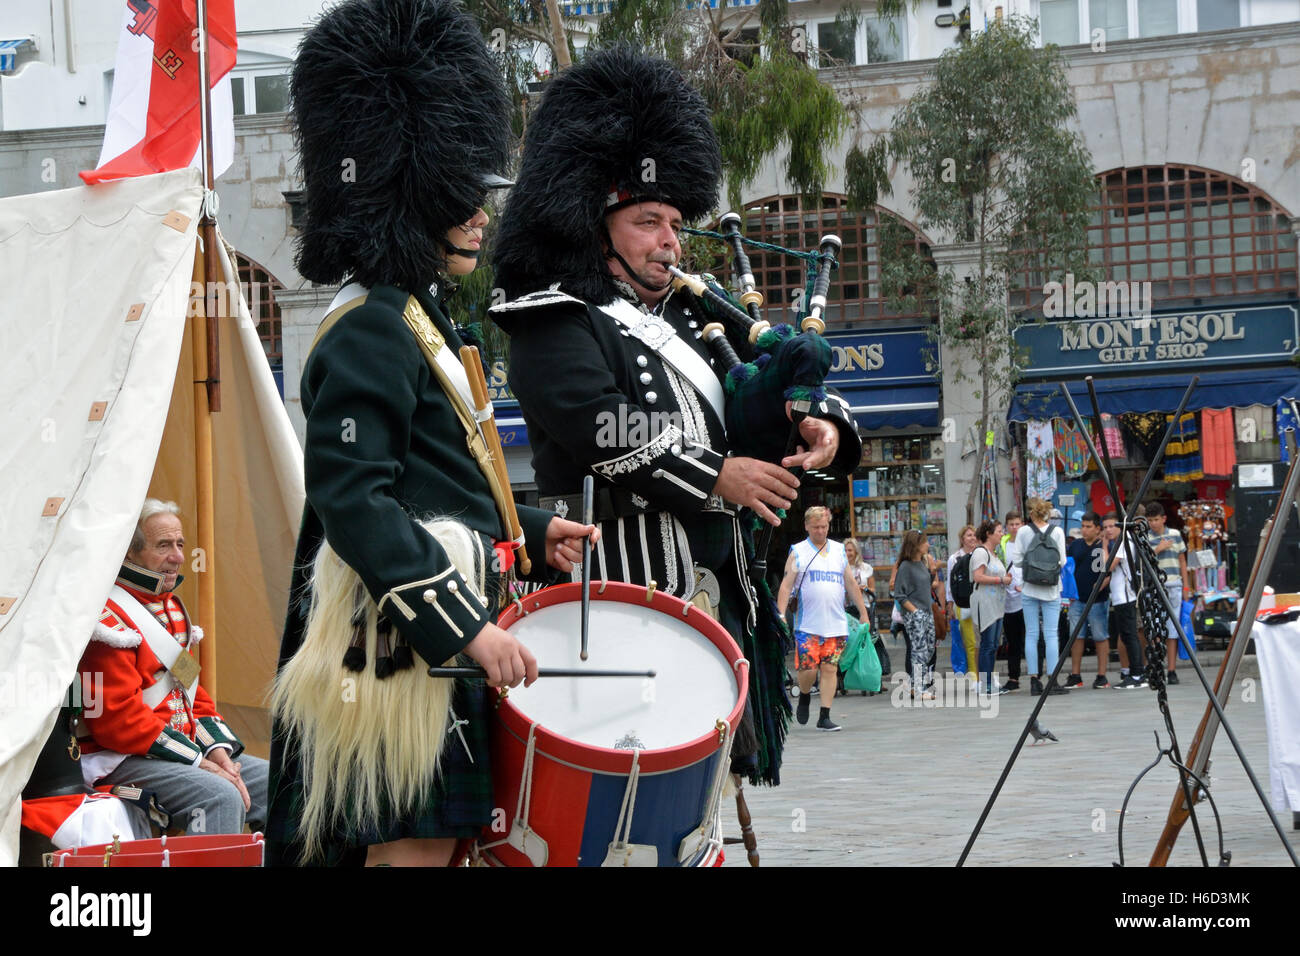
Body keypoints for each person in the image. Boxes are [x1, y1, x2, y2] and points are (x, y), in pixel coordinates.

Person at [264, 0, 596, 868]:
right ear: (407, 197)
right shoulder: (373, 325)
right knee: (410, 851)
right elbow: (352, 497)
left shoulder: (419, 318)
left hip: (420, 641)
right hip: (394, 653)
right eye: (458, 196)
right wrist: (465, 629)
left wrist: (524, 532)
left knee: (443, 847)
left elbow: (441, 479)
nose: (480, 215)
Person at [489, 46, 860, 784]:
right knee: (628, 799)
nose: (671, 241)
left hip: (717, 591)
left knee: (700, 801)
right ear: (597, 229)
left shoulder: (691, 318)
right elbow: (598, 423)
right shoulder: (555, 319)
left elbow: (751, 403)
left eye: (674, 222)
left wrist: (816, 426)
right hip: (618, 599)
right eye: (648, 222)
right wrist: (716, 474)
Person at [77, 500, 268, 836]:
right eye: (164, 545)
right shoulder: (106, 621)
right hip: (120, 760)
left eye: (179, 545)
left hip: (180, 751)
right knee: (220, 796)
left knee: (284, 783)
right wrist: (198, 761)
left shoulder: (171, 613)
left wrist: (219, 752)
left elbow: (192, 693)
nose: (178, 557)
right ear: (128, 553)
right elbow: (116, 722)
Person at [777, 507, 870, 731]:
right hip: (808, 623)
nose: (820, 531)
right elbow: (786, 585)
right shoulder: (798, 552)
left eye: (824, 527)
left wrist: (863, 611)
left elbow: (849, 582)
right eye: (816, 527)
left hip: (835, 623)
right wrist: (780, 614)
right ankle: (806, 694)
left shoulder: (838, 551)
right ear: (807, 526)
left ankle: (825, 715)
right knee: (808, 669)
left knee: (830, 668)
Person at [1008, 497, 1069, 696]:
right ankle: (1053, 678)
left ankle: (1035, 680)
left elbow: (1016, 561)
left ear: (1030, 512)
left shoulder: (1024, 531)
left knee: (1032, 634)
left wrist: (1031, 564)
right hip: (1051, 589)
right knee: (1051, 634)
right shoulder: (1057, 532)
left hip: (1029, 588)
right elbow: (1062, 561)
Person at [1064, 510, 1113, 688]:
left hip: (1098, 600)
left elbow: (1107, 572)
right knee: (1076, 636)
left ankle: (1101, 675)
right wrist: (1068, 593)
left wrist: (1098, 587)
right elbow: (1068, 571)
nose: (1084, 530)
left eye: (1088, 527)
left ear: (1097, 528)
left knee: (1100, 636)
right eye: (1082, 526)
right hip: (1077, 599)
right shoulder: (1075, 545)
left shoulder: (1102, 547)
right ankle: (1076, 675)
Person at [1145, 501, 1191, 684]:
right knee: (1156, 630)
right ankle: (1158, 667)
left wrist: (1186, 587)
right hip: (1155, 587)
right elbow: (1144, 562)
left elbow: (1182, 562)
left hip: (1174, 585)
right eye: (1150, 520)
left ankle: (1172, 670)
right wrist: (1157, 549)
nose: (1153, 523)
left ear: (1163, 519)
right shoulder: (1145, 537)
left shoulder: (1176, 535)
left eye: (1156, 519)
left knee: (1173, 630)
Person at [1103, 513, 1147, 689]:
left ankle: (1137, 674)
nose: (1108, 530)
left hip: (1126, 595)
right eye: (1105, 527)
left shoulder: (1124, 540)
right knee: (1127, 635)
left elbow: (1107, 566)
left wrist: (1104, 546)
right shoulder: (1121, 541)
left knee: (1130, 635)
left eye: (1111, 526)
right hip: (1119, 596)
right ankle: (1134, 671)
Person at [969, 520, 1010, 696]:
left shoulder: (994, 553)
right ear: (989, 534)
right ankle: (985, 685)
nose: (1002, 534)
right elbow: (978, 577)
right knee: (987, 644)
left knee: (993, 645)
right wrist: (1001, 580)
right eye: (999, 531)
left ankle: (989, 683)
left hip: (997, 604)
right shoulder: (981, 552)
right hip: (985, 604)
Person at [894, 531, 937, 700]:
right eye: (925, 542)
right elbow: (899, 594)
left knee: (928, 649)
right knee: (919, 651)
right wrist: (915, 612)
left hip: (927, 612)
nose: (928, 545)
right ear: (916, 545)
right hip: (915, 614)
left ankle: (914, 685)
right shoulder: (905, 566)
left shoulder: (922, 563)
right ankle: (919, 689)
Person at [946, 524, 980, 678]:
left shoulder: (980, 555)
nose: (972, 538)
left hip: (980, 603)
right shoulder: (954, 559)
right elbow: (949, 584)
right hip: (963, 604)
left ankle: (985, 675)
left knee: (982, 642)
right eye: (968, 535)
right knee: (970, 642)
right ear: (962, 539)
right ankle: (974, 676)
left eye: (974, 535)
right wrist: (950, 606)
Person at [998, 511, 1025, 690]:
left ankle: (1035, 675)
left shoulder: (1028, 542)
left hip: (1025, 598)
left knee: (1030, 639)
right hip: (1006, 598)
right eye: (1011, 524)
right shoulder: (1002, 544)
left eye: (1017, 524)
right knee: (1012, 640)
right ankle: (1013, 677)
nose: (1014, 527)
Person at [844, 537, 875, 609]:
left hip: (864, 606)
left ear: (856, 552)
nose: (847, 553)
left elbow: (873, 590)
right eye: (845, 550)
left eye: (850, 550)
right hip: (845, 609)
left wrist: (865, 589)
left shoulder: (866, 568)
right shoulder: (840, 568)